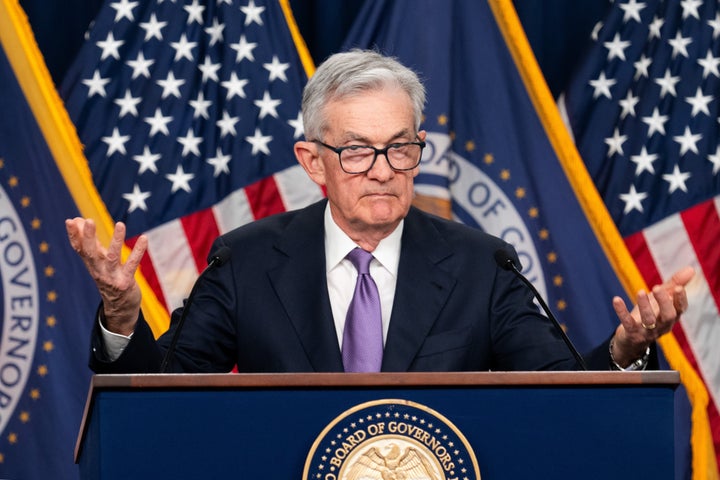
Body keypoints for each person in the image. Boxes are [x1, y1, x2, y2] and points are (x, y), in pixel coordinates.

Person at [66, 49, 693, 374]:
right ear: (313, 162)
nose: (385, 168)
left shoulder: (481, 265)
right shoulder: (247, 260)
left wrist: (623, 347)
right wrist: (122, 313)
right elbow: (163, 394)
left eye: (401, 147)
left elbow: (561, 398)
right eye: (358, 150)